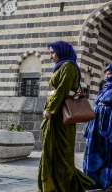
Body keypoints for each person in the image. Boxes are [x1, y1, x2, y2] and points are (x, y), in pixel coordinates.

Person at [38, 41, 94, 192]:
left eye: (52, 53)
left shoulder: (69, 66)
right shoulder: (62, 66)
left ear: (61, 52)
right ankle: (53, 182)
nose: (50, 56)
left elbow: (62, 90)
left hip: (60, 115)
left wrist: (50, 109)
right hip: (55, 115)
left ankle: (63, 184)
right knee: (51, 148)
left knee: (61, 150)